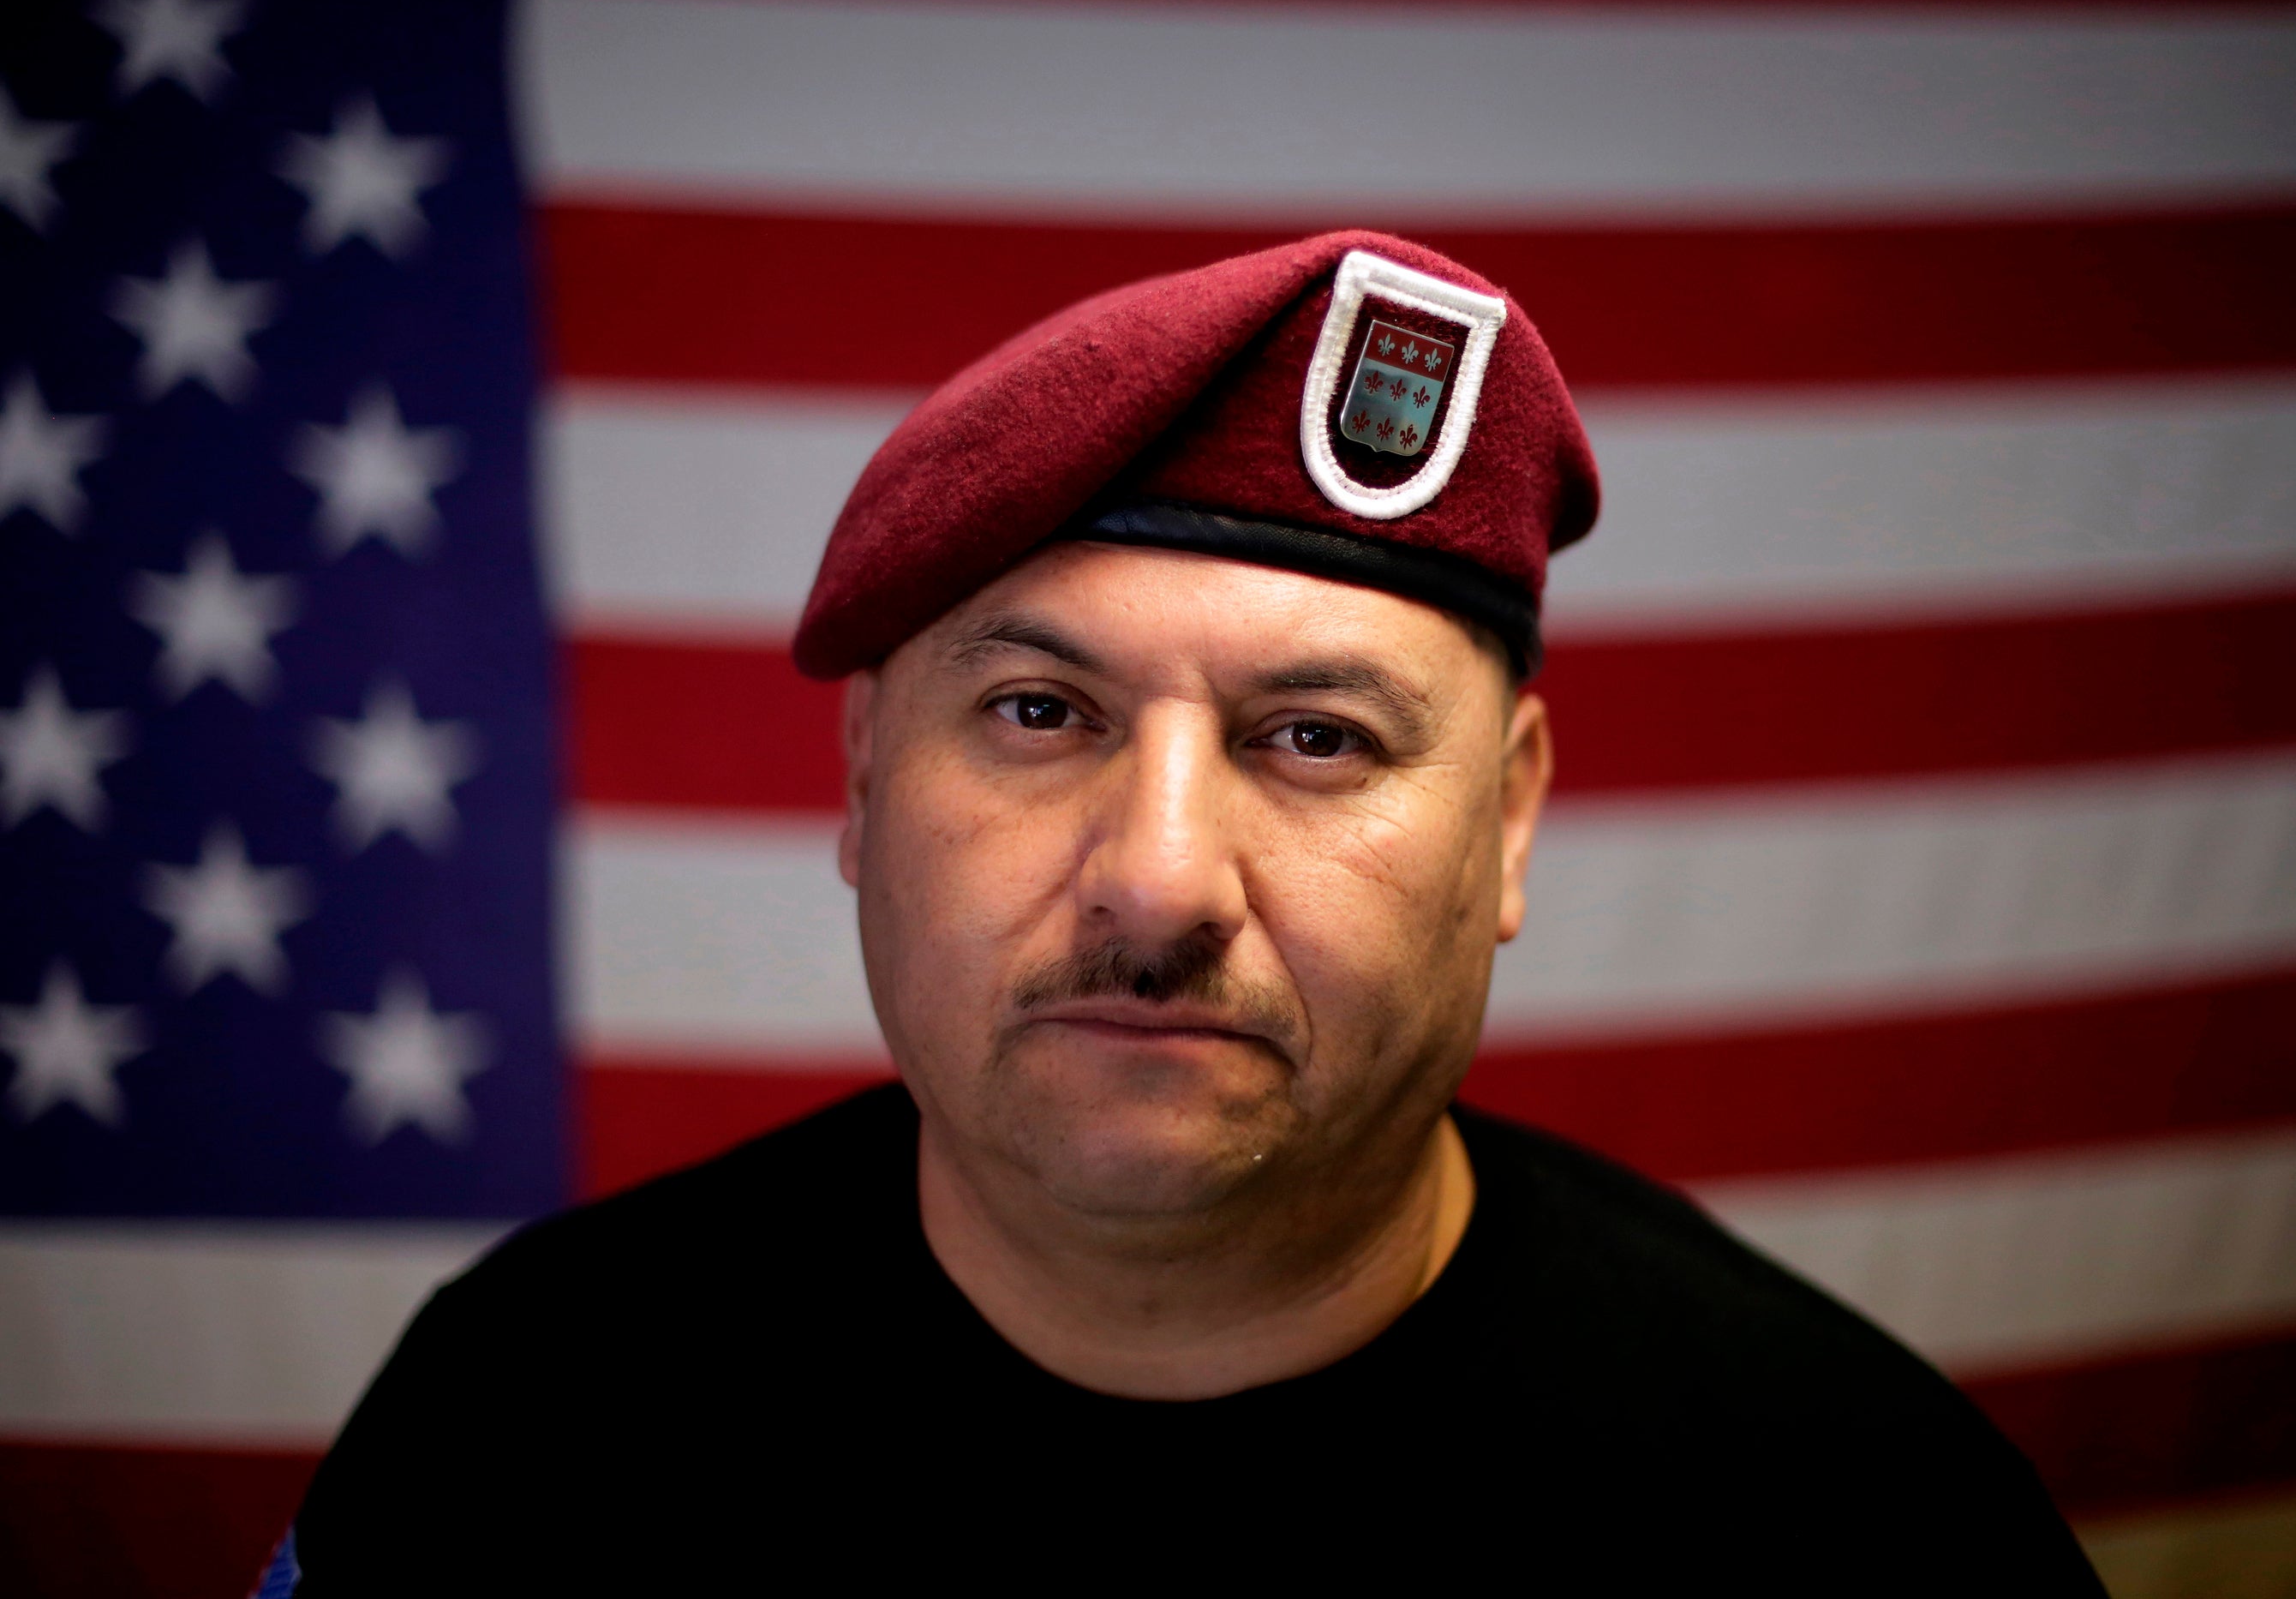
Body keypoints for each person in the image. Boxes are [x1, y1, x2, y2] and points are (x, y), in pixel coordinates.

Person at [281, 233, 2103, 1590]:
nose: (1156, 881)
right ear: (858, 788)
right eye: (1037, 714)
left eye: (1315, 736)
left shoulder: (1862, 1521)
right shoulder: (522, 1417)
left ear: (1514, 821)